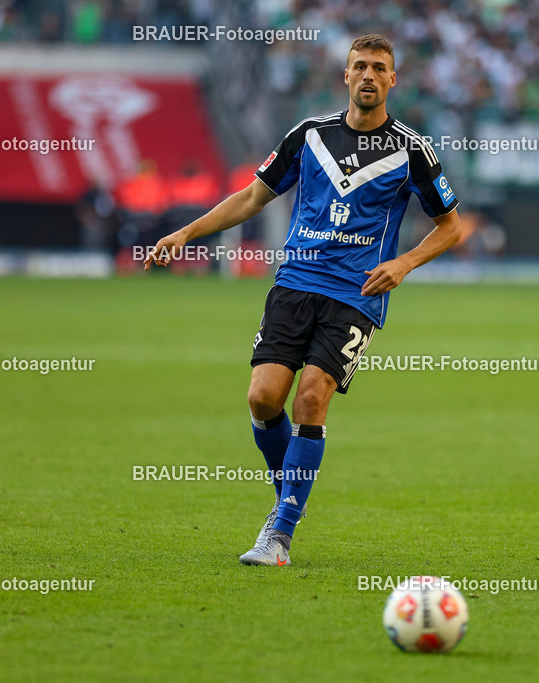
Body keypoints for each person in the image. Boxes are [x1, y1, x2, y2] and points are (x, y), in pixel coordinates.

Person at [143, 34, 461, 566]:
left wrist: (403, 264)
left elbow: (449, 227)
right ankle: (289, 494)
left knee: (311, 398)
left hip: (355, 295)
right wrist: (186, 233)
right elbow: (251, 197)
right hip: (294, 284)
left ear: (392, 80)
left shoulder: (411, 151)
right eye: (359, 65)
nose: (367, 75)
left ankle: (280, 531)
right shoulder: (308, 136)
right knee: (262, 399)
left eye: (378, 68)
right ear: (345, 75)